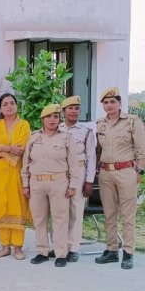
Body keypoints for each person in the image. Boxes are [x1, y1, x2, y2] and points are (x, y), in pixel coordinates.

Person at [94, 86, 145, 269]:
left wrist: (139, 172)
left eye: (112, 102)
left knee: (127, 215)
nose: (109, 105)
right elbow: (98, 150)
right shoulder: (100, 124)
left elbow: (141, 148)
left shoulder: (132, 121)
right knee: (109, 214)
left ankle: (128, 252)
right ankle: (111, 250)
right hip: (105, 173)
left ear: (119, 103)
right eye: (105, 102)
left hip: (126, 172)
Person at [21, 104, 78, 267]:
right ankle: (42, 252)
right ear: (42, 119)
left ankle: (61, 253)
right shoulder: (34, 137)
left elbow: (73, 163)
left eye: (55, 117)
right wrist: (25, 184)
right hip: (37, 183)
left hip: (59, 182)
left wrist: (72, 185)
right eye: (48, 117)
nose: (52, 120)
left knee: (60, 219)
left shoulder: (66, 137)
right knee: (39, 219)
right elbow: (26, 162)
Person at [0, 93, 31, 260]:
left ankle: (18, 247)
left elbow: (21, 147)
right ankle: (4, 246)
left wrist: (1, 150)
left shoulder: (24, 125)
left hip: (16, 172)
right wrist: (9, 148)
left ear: (16, 106)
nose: (9, 106)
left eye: (12, 103)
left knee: (17, 206)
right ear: (0, 108)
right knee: (1, 206)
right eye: (5, 104)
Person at [59, 95, 96, 263]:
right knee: (60, 210)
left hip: (79, 171)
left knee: (76, 209)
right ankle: (60, 246)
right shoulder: (57, 128)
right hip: (60, 172)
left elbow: (91, 157)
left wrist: (89, 181)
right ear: (63, 111)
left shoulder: (86, 131)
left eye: (77, 108)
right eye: (70, 108)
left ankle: (73, 248)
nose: (74, 111)